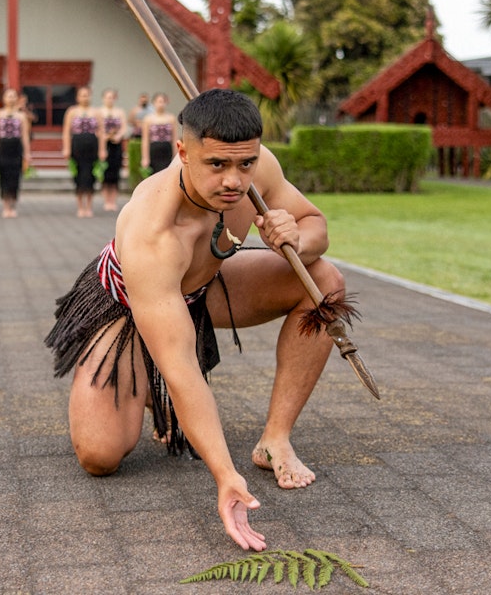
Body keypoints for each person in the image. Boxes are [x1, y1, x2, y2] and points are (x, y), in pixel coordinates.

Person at [43, 89, 347, 552]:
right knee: (100, 456)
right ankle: (140, 388)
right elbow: (182, 366)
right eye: (217, 165)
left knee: (323, 281)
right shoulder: (154, 230)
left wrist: (297, 239)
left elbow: (315, 225)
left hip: (203, 289)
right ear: (183, 152)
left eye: (244, 164)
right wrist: (225, 476)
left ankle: (275, 440)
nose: (234, 181)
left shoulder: (255, 165)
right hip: (125, 310)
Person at [0, 87, 32, 218]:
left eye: (13, 96)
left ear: (17, 99)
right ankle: (5, 205)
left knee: (15, 176)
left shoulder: (22, 116)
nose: (11, 99)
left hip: (16, 147)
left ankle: (13, 205)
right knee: (4, 176)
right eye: (8, 96)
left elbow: (24, 136)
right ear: (3, 99)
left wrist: (28, 153)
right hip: (3, 147)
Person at [61, 86, 104, 218]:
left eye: (87, 95)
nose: (85, 97)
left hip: (92, 146)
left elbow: (102, 132)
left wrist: (102, 150)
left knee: (91, 176)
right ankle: (80, 206)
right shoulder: (72, 111)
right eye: (82, 95)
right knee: (79, 176)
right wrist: (66, 148)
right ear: (77, 97)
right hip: (77, 146)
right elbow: (66, 132)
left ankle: (89, 206)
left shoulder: (96, 112)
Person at [98, 88, 128, 211]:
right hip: (104, 145)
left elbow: (124, 128)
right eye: (107, 97)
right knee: (105, 174)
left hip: (116, 145)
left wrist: (118, 136)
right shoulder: (99, 112)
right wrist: (105, 137)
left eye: (112, 97)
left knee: (115, 173)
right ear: (103, 98)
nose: (109, 99)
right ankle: (106, 200)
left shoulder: (120, 112)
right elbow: (97, 129)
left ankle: (113, 200)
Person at [140, 92, 178, 175]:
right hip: (154, 150)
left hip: (167, 149)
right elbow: (145, 140)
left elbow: (175, 139)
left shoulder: (171, 118)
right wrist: (145, 158)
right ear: (154, 103)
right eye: (158, 101)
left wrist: (176, 156)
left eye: (163, 101)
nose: (161, 104)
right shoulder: (148, 119)